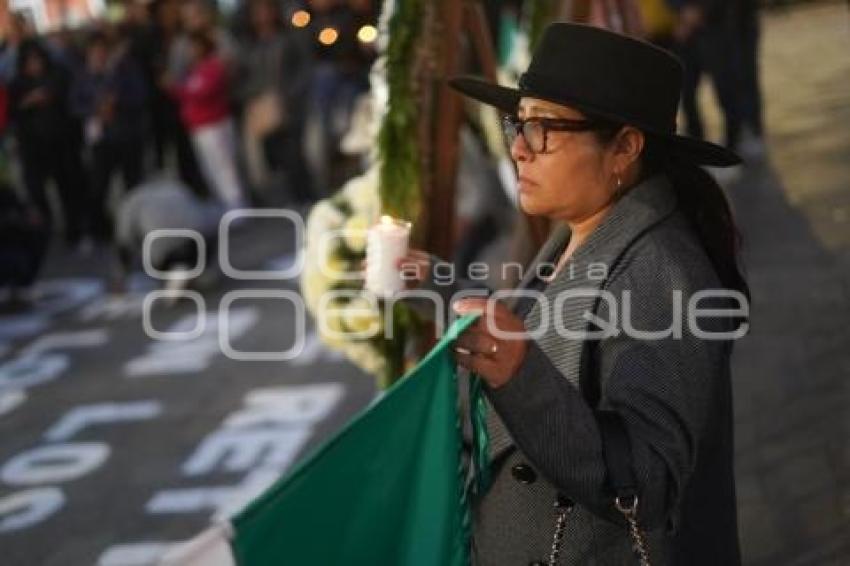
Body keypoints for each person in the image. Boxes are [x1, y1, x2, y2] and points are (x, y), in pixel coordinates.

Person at [400, 24, 749, 564]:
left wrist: (519, 376)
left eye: (543, 128)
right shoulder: (585, 226)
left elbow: (646, 482)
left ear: (624, 148)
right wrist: (436, 283)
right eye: (517, 122)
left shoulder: (662, 275)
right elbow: (544, 325)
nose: (518, 148)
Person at [71, 32, 148, 242]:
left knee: (133, 183)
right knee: (98, 186)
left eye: (102, 50)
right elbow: (75, 105)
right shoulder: (83, 75)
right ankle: (102, 229)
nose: (99, 55)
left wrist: (118, 100)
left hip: (127, 135)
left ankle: (139, 225)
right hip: (102, 140)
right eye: (94, 51)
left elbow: (140, 95)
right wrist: (95, 110)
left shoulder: (124, 69)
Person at [8, 39, 84, 245]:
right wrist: (27, 102)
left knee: (67, 187)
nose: (35, 65)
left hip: (61, 144)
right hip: (33, 147)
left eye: (37, 59)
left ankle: (73, 229)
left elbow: (71, 100)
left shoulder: (58, 75)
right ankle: (45, 229)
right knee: (36, 191)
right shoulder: (18, 84)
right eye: (30, 61)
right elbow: (12, 112)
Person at [167, 32, 245, 210]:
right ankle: (225, 204)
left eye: (195, 46)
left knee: (225, 166)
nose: (191, 51)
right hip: (198, 127)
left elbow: (202, 92)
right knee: (210, 169)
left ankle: (237, 205)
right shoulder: (193, 71)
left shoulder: (214, 67)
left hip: (215, 124)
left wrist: (179, 90)